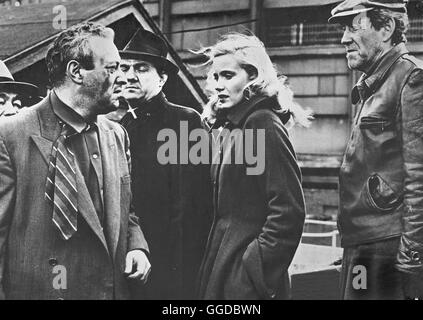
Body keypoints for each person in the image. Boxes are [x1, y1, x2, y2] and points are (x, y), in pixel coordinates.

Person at [0, 22, 151, 300]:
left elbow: (127, 210)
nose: (123, 78)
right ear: (76, 72)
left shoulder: (117, 134)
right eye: (112, 68)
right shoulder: (9, 136)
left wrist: (136, 246)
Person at [196, 33, 309, 300]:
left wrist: (252, 271)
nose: (218, 86)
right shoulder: (234, 126)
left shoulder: (263, 123)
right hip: (223, 268)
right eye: (215, 77)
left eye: (228, 76)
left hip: (243, 281)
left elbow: (288, 211)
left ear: (253, 76)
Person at [329, 0, 423, 299]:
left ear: (386, 28)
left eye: (353, 26)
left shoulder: (411, 78)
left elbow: (419, 178)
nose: (344, 38)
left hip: (386, 248)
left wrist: (411, 260)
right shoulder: (377, 81)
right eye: (344, 28)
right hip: (366, 244)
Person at [119, 28, 212, 299]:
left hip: (171, 275)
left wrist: (177, 282)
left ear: (162, 79)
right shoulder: (122, 126)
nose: (129, 76)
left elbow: (195, 211)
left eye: (141, 68)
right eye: (124, 68)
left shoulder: (185, 122)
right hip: (131, 265)